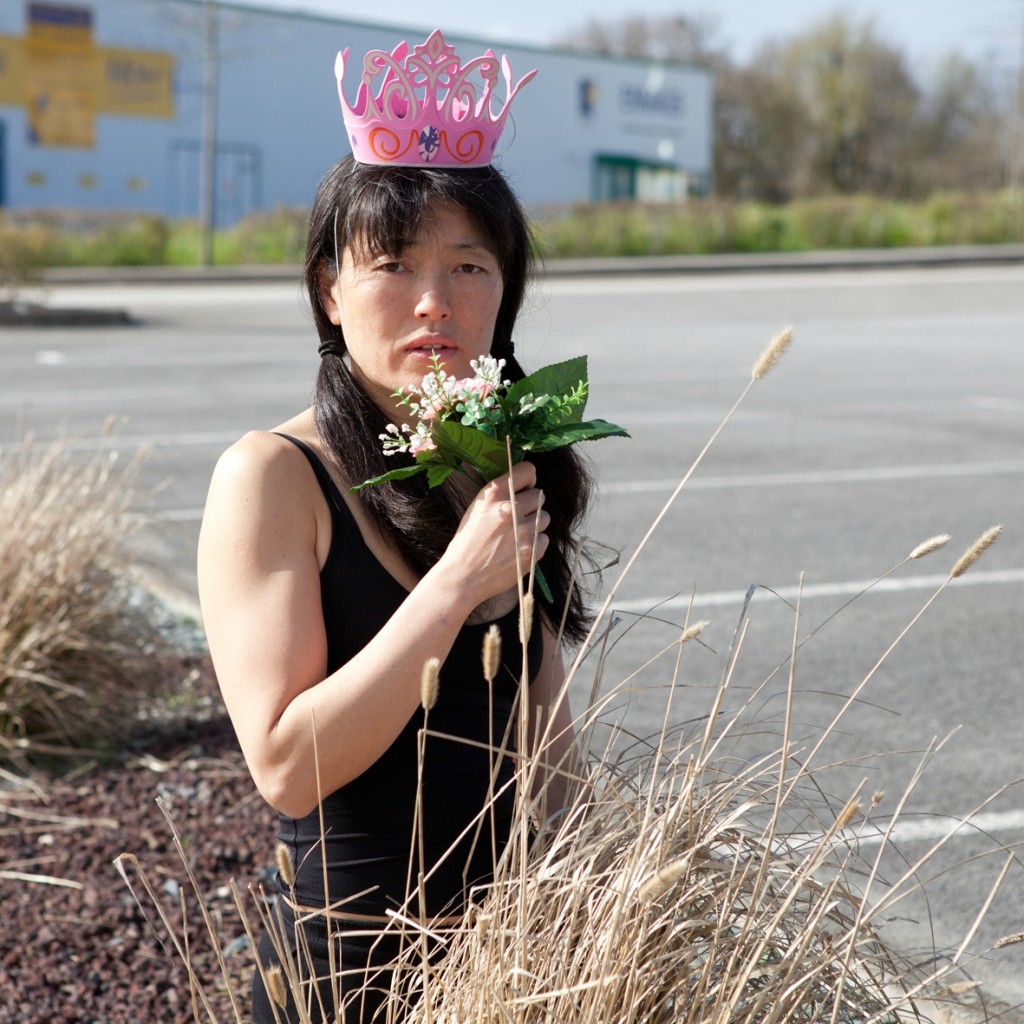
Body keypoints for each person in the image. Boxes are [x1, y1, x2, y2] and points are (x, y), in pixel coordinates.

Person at [196, 30, 594, 1024]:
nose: (435, 302)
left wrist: (600, 924)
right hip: (344, 984)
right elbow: (288, 767)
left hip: (508, 980)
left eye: (469, 265)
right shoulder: (271, 478)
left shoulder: (491, 458)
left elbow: (550, 762)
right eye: (396, 265)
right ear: (330, 288)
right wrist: (456, 583)